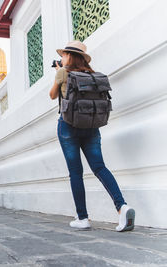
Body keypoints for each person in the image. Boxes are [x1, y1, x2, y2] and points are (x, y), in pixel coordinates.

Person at [49, 40, 135, 232]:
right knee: (99, 167)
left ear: (69, 56)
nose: (61, 58)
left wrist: (58, 74)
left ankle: (83, 217)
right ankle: (122, 207)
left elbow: (52, 95)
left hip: (68, 126)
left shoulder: (63, 72)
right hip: (91, 126)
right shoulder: (92, 74)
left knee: (76, 172)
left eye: (63, 55)